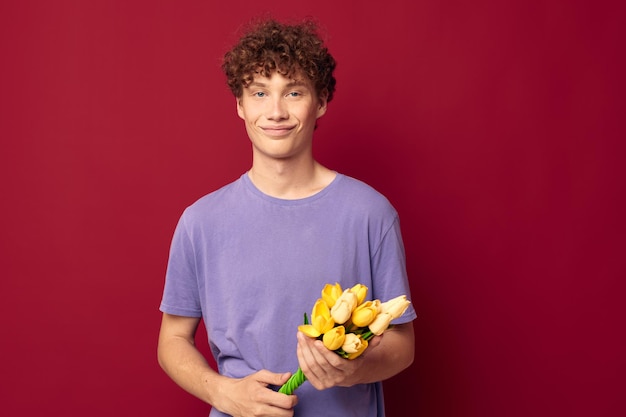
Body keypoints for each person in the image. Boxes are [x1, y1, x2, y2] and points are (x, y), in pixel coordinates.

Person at [157, 17, 416, 417]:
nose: (275, 111)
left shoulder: (370, 213)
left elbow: (402, 344)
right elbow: (172, 338)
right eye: (260, 93)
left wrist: (353, 369)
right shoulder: (200, 222)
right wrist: (223, 393)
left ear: (321, 101)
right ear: (240, 106)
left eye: (293, 92)